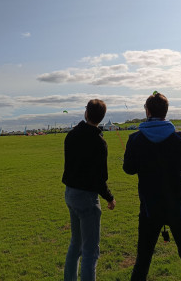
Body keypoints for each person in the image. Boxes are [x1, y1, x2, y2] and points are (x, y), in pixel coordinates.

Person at [123, 92, 181, 281]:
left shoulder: (135, 139)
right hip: (180, 209)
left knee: (142, 263)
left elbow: (129, 169)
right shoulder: (179, 137)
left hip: (150, 210)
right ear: (165, 113)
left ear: (148, 111)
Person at [62, 99, 116, 281]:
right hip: (86, 199)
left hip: (70, 194)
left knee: (75, 245)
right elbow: (100, 179)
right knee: (90, 251)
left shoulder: (71, 135)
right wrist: (110, 198)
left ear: (86, 113)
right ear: (101, 118)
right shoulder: (99, 143)